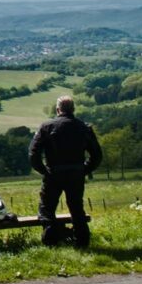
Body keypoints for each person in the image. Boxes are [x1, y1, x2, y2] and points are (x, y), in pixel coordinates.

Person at [28, 95, 102, 247]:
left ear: (57, 109)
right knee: (76, 208)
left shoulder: (47, 126)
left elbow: (33, 154)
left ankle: (51, 241)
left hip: (53, 173)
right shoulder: (84, 127)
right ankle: (82, 242)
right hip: (76, 173)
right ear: (73, 109)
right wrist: (84, 169)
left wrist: (44, 170)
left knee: (47, 209)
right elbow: (97, 155)